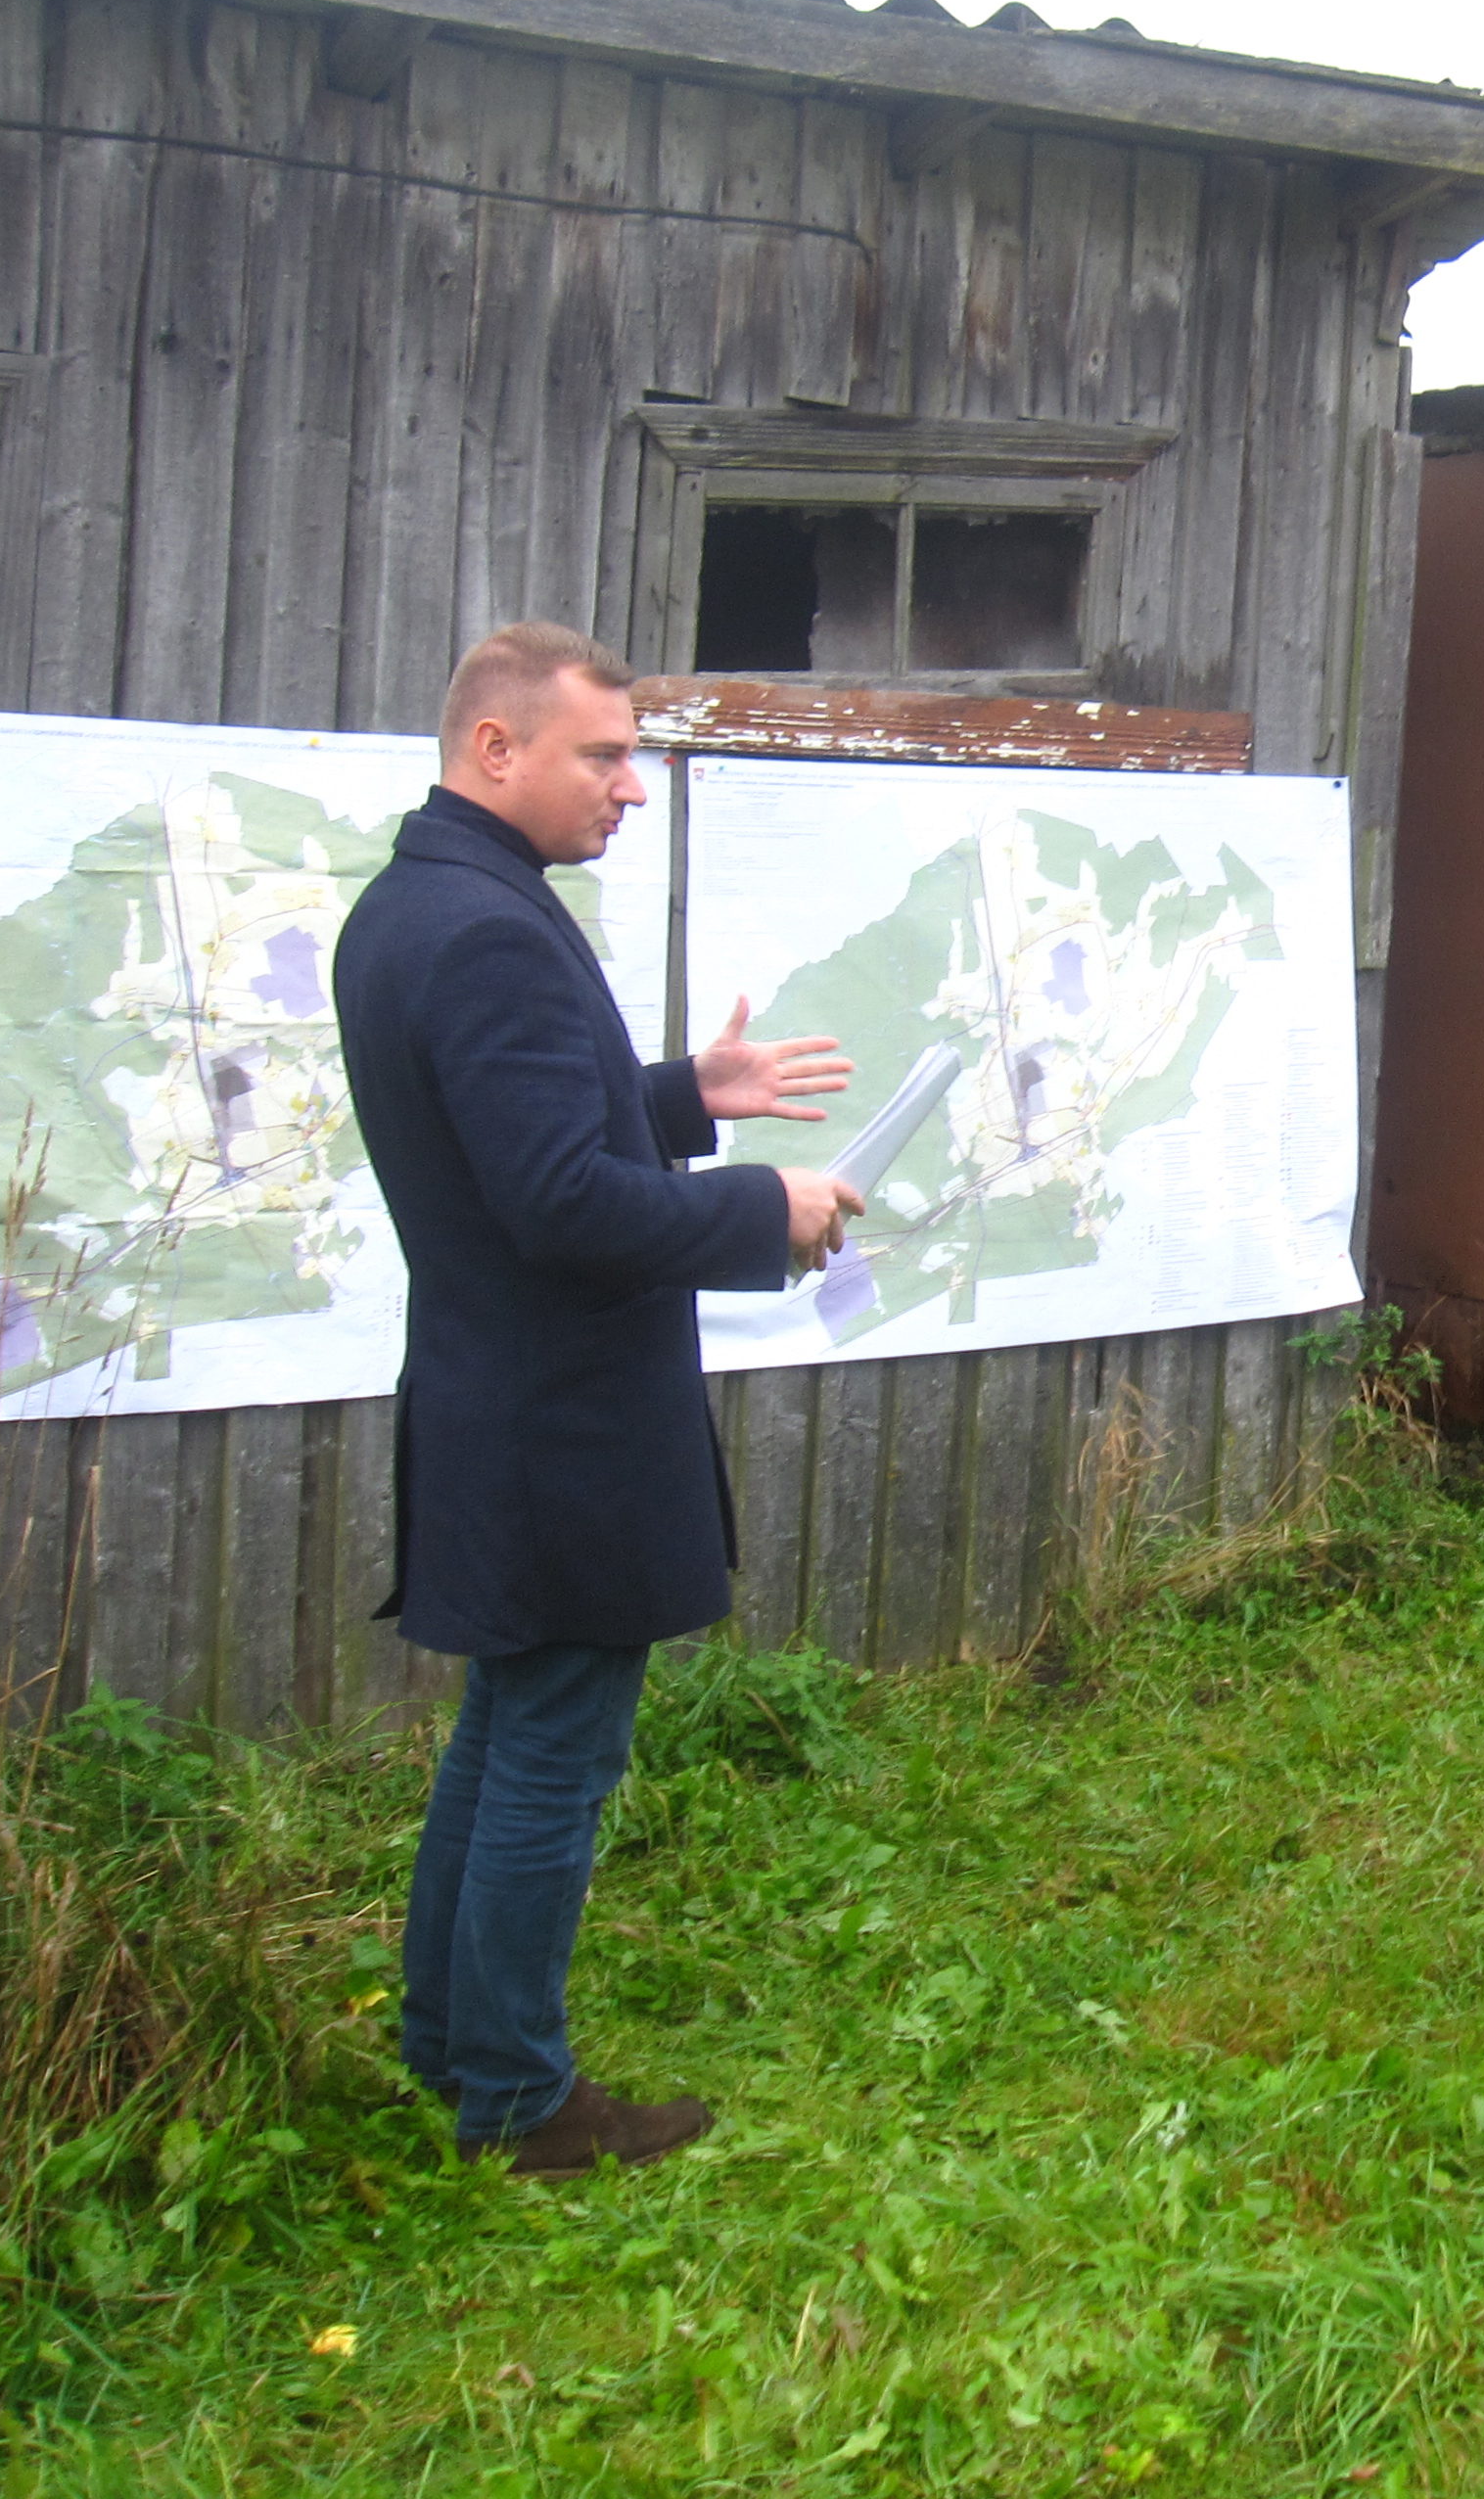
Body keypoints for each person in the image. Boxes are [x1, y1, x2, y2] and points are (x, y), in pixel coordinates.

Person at [334, 623, 865, 2175]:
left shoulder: (419, 904)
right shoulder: (493, 931)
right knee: (553, 1752)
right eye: (604, 755)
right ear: (496, 749)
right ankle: (516, 2097)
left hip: (503, 1398)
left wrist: (683, 1098)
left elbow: (520, 1132)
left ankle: (451, 2043)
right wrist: (763, 1209)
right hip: (558, 1420)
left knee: (511, 1730)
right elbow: (559, 1204)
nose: (633, 787)